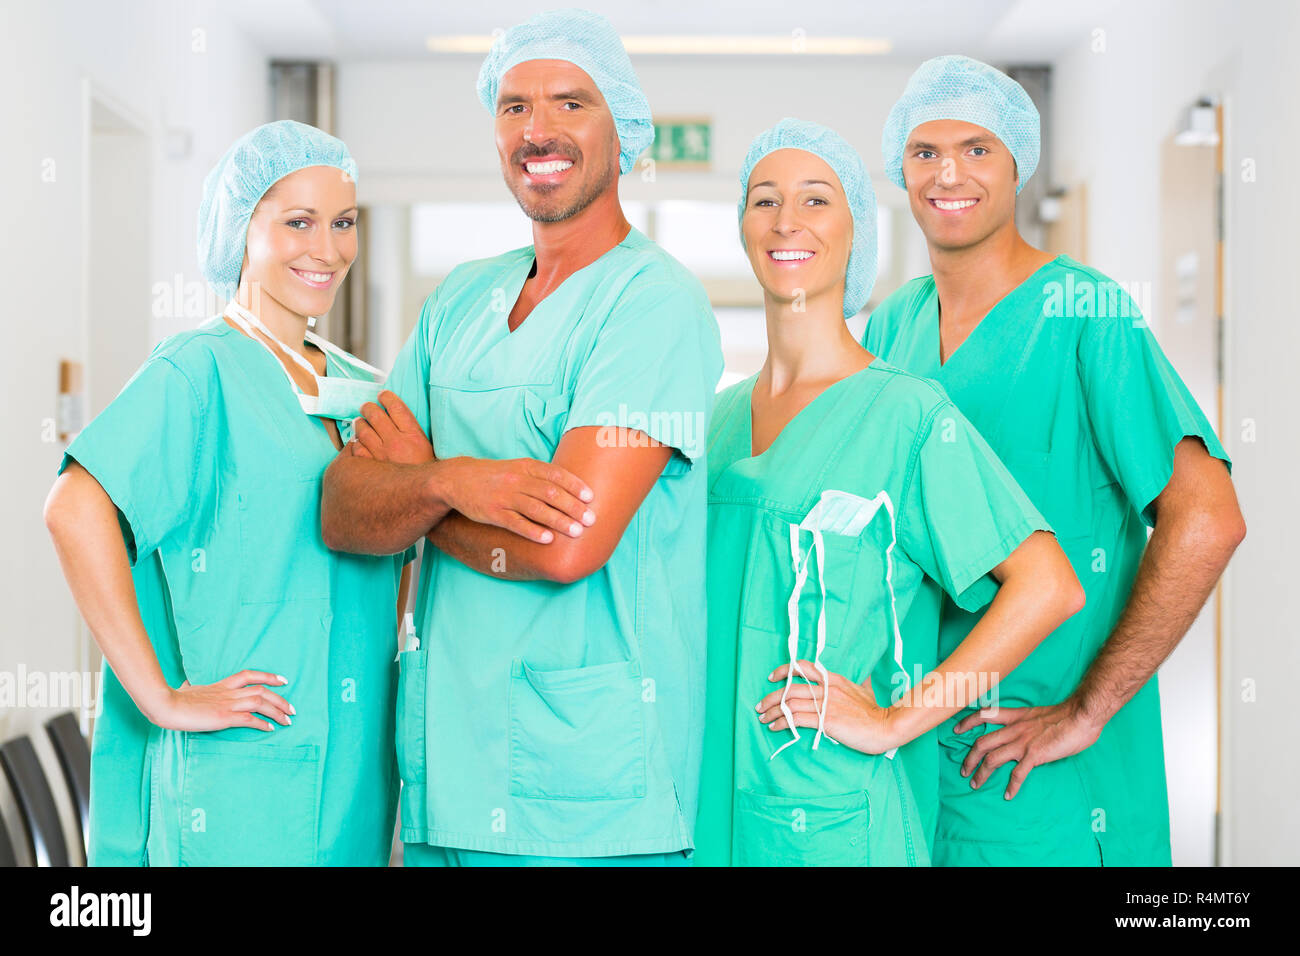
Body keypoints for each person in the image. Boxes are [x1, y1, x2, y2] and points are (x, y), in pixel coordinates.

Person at [319, 9, 723, 867]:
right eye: (513, 107)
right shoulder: (457, 303)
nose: (537, 130)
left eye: (570, 103)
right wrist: (455, 483)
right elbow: (345, 509)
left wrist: (418, 491)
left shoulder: (654, 305)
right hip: (443, 777)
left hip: (584, 796)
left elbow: (567, 547)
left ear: (625, 133)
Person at [863, 55, 1246, 866]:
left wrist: (1088, 708)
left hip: (1047, 782)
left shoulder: (1086, 315)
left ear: (1016, 167)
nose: (948, 174)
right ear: (900, 165)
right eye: (925, 152)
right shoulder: (893, 325)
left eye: (977, 149)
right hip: (924, 765)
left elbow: (1207, 518)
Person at [695, 118, 1083, 866]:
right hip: (709, 808)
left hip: (839, 819)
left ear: (856, 235)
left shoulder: (905, 415)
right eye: (764, 200)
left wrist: (897, 720)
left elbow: (1048, 586)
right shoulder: (715, 419)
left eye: (816, 201)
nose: (786, 221)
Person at [43, 120, 409, 866]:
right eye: (297, 222)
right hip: (233, 780)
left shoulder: (360, 385)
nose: (328, 249)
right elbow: (74, 510)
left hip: (352, 779)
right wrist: (162, 697)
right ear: (241, 230)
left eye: (343, 223)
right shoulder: (196, 371)